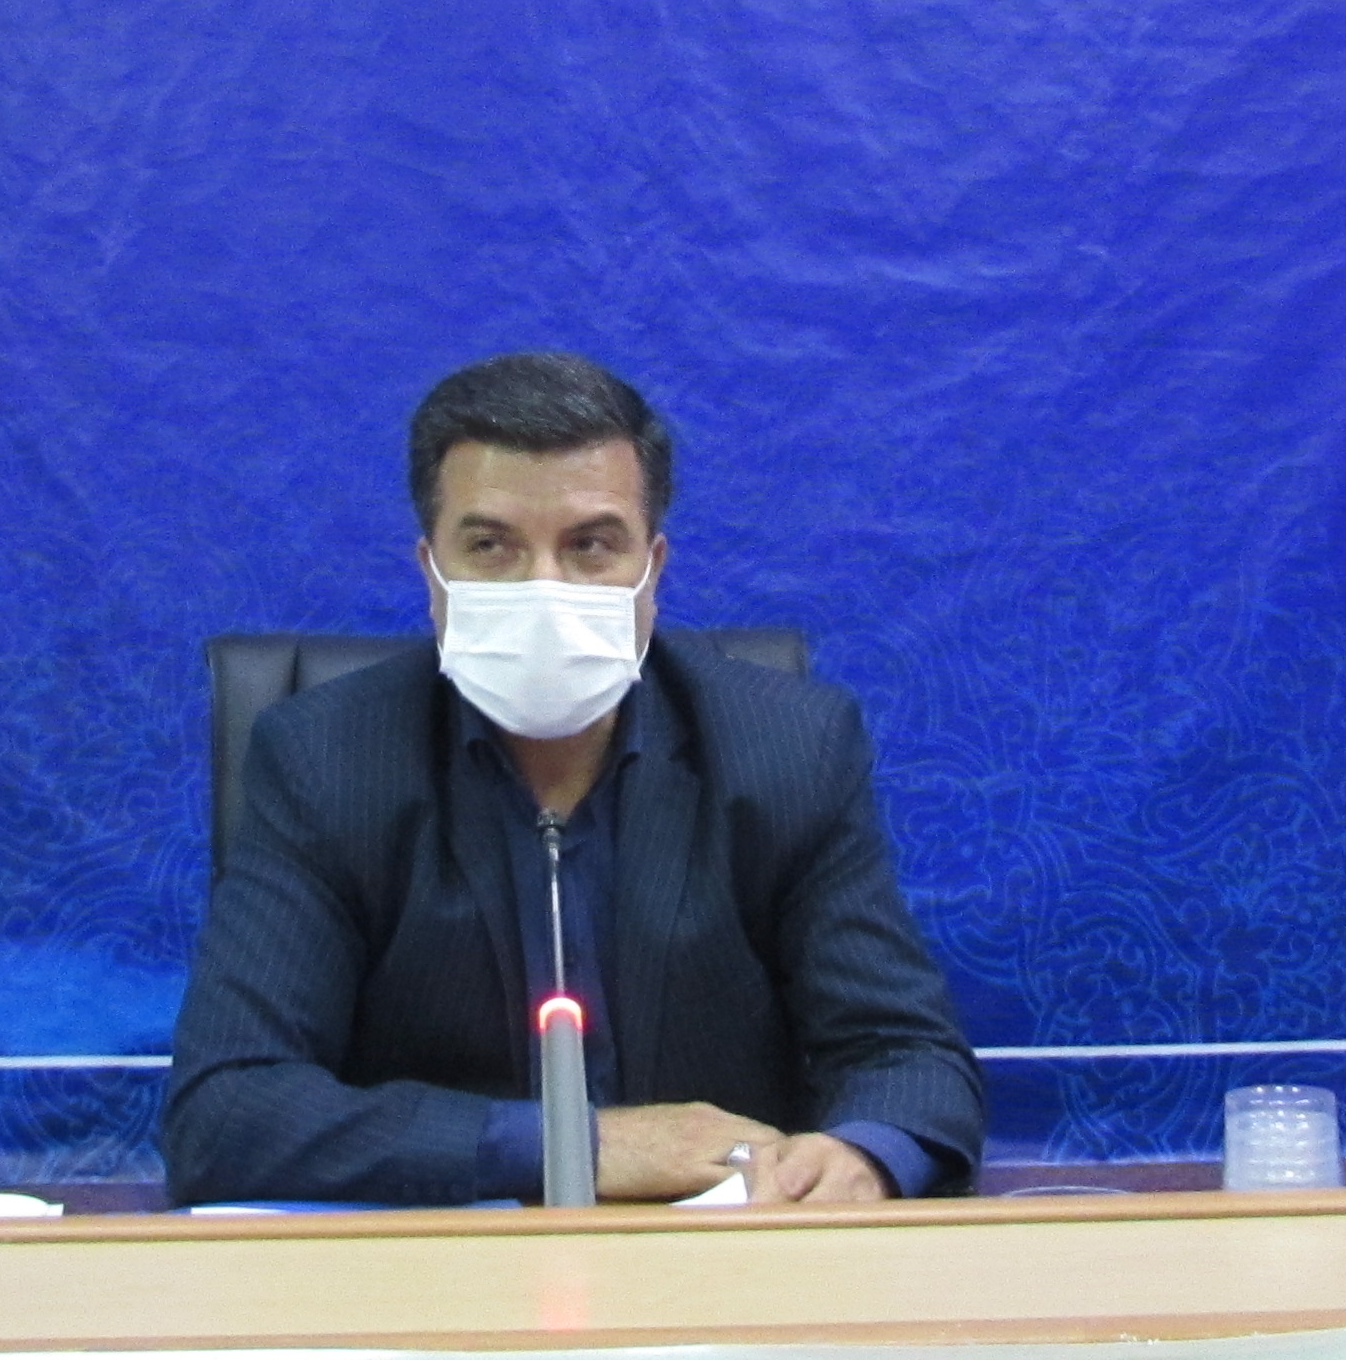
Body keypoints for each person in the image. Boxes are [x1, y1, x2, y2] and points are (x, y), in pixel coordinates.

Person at [160, 353, 983, 1207]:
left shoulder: (789, 748)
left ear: (653, 570)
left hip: (728, 1257)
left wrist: (864, 1156)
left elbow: (907, 1059)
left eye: (591, 546)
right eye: (491, 547)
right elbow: (226, 1113)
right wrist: (573, 1148)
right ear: (431, 573)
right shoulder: (325, 760)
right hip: (438, 1262)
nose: (544, 590)